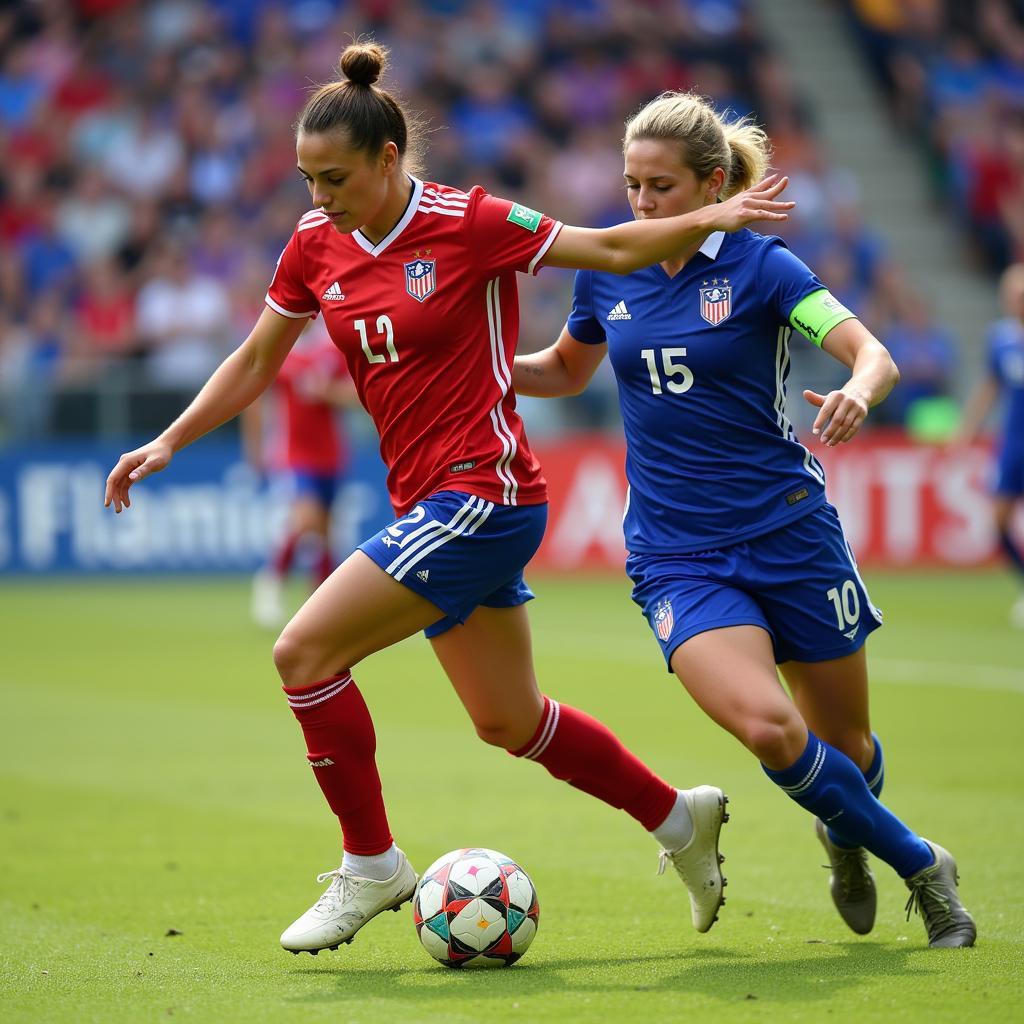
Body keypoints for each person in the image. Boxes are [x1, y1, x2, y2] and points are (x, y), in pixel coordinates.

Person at [103, 43, 796, 956]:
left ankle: (372, 866)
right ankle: (678, 819)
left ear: (389, 160)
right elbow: (256, 361)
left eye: (337, 177)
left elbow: (615, 245)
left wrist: (717, 214)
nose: (320, 196)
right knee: (509, 720)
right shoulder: (315, 245)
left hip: (488, 492)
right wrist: (167, 439)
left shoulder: (470, 222)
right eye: (308, 178)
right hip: (423, 502)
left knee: (303, 651)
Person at [513, 91, 976, 949]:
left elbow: (869, 351)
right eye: (632, 186)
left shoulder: (763, 268)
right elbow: (564, 372)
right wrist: (481, 366)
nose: (642, 205)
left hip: (791, 532)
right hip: (677, 553)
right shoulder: (607, 266)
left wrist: (857, 392)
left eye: (661, 188)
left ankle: (846, 834)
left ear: (716, 184)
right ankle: (923, 866)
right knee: (772, 730)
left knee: (851, 746)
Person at [245, 321, 356, 627]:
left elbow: (359, 395)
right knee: (308, 520)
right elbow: (254, 396)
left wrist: (328, 392)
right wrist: (254, 446)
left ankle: (322, 605)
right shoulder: (280, 349)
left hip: (332, 455)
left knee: (326, 534)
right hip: (293, 455)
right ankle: (271, 581)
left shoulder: (333, 349)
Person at [958, 263, 1024, 627]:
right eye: (1012, 296)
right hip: (1013, 443)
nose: (1017, 302)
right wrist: (968, 428)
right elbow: (990, 386)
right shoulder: (1001, 338)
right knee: (998, 522)